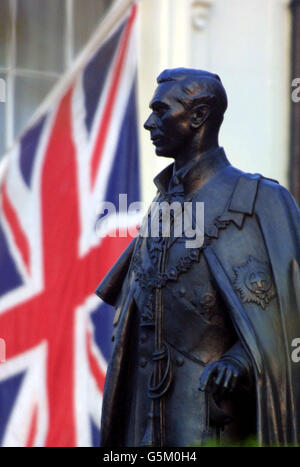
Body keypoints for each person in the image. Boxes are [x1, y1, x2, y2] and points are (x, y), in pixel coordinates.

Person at [96, 68, 300, 447]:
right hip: (142, 428)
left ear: (198, 116)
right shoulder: (161, 207)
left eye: (160, 110)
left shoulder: (259, 201)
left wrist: (239, 360)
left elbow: (288, 317)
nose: (148, 122)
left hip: (214, 424)